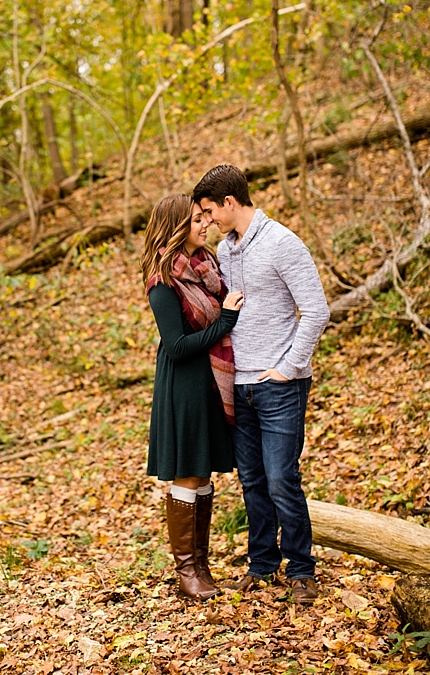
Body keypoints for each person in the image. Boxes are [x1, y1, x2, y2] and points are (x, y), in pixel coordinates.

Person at [193, 165, 330, 604]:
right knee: (251, 480)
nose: (209, 219)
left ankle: (302, 571)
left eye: (211, 211)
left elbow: (317, 310)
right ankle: (263, 565)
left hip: (278, 385)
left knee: (281, 479)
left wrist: (289, 367)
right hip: (239, 386)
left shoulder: (282, 243)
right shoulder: (225, 250)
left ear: (230, 203)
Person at [142, 193, 244, 600]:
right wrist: (227, 320)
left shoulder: (208, 266)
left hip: (210, 380)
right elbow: (178, 345)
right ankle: (186, 572)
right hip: (184, 382)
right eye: (196, 220)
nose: (205, 224)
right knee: (188, 470)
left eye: (205, 217)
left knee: (202, 471)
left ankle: (201, 565)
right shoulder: (163, 281)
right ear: (175, 227)